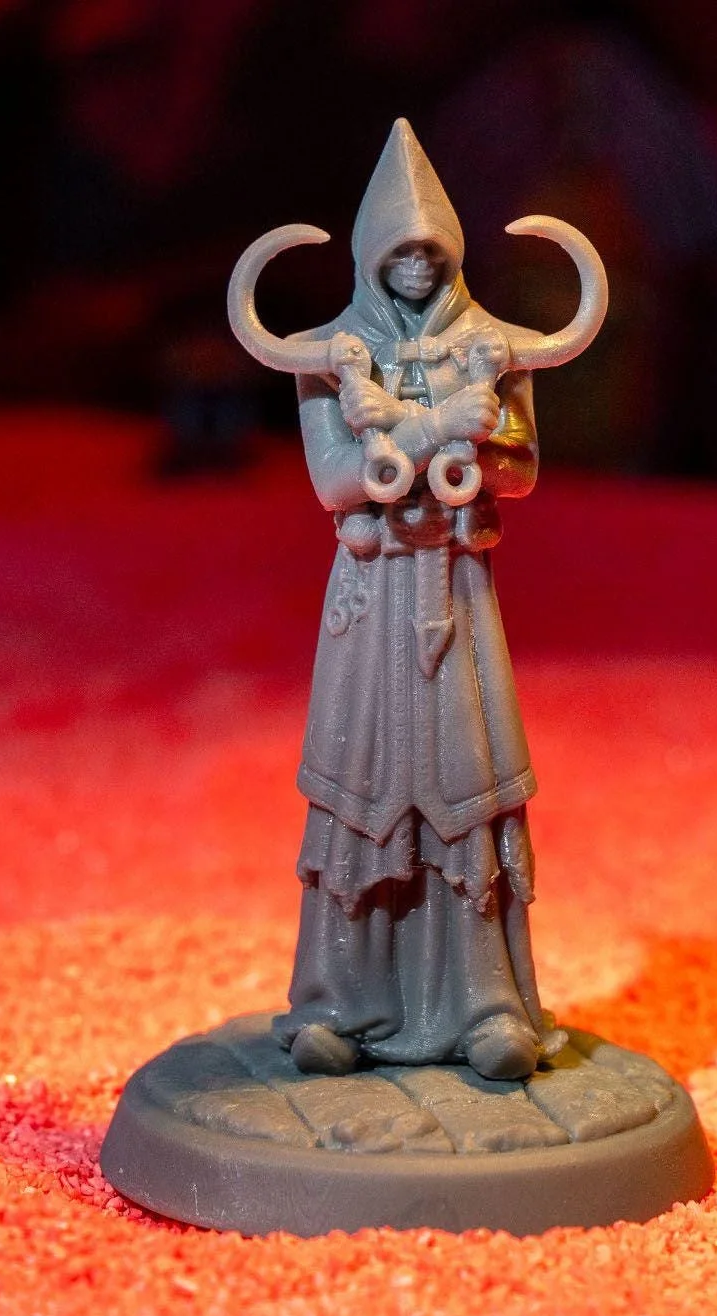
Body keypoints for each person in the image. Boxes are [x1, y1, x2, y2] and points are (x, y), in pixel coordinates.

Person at [270, 121, 567, 1080]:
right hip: (371, 595)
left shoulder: (489, 345)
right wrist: (437, 424)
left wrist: (471, 435)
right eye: (398, 249)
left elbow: (518, 471)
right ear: (369, 254)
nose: (415, 264)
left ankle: (487, 1005)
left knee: (465, 782)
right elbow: (336, 482)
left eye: (430, 249)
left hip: (458, 591)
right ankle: (338, 1004)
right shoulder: (332, 353)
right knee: (358, 784)